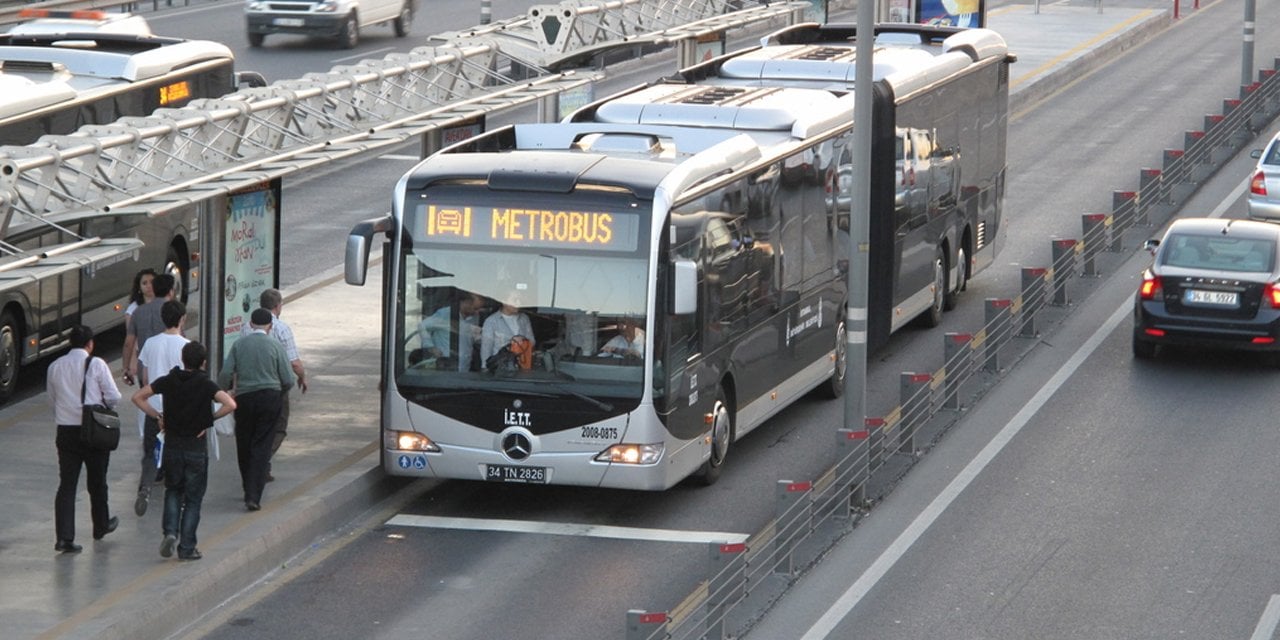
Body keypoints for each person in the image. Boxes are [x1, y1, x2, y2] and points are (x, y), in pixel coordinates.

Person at [132, 341, 235, 561]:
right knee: (193, 499)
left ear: (182, 359)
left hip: (172, 447)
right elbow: (230, 404)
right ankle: (187, 547)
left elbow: (137, 397)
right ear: (203, 362)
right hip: (195, 449)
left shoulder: (169, 380)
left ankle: (170, 532)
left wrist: (157, 416)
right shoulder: (206, 384)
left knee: (173, 491)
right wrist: (208, 420)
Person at [47, 325, 122, 553]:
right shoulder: (96, 364)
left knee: (67, 485)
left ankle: (64, 538)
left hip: (66, 431)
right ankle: (101, 525)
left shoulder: (55, 366)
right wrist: (102, 405)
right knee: (97, 480)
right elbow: (113, 396)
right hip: (93, 430)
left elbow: (52, 400)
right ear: (90, 344)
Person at [219, 308, 296, 511]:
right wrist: (279, 393)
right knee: (262, 445)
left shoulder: (239, 344)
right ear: (270, 326)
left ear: (251, 324)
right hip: (270, 398)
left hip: (245, 398)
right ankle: (254, 495)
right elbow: (288, 379)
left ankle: (247, 486)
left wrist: (224, 391)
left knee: (244, 442)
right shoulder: (275, 345)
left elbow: (226, 372)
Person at [132, 300, 190, 517]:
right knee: (177, 453)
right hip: (178, 411)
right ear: (182, 319)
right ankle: (177, 496)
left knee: (151, 452)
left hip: (154, 409)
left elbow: (146, 378)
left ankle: (145, 487)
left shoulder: (150, 343)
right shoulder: (186, 346)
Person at [124, 273, 176, 511]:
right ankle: (165, 467)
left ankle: (151, 469)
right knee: (172, 423)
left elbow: (129, 342)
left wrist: (126, 367)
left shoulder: (139, 313)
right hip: (172, 377)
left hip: (148, 374)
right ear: (171, 290)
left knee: (153, 419)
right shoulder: (173, 311)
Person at [243, 288, 307, 482]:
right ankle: (260, 460)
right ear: (278, 306)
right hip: (274, 388)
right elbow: (294, 363)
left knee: (255, 427)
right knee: (278, 427)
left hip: (248, 386)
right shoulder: (282, 328)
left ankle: (262, 466)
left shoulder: (246, 327)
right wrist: (301, 377)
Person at [419, 293, 483, 371]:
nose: (477, 312)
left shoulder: (473, 317)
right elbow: (423, 326)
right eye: (475, 308)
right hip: (446, 365)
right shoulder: (445, 314)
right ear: (466, 303)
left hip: (465, 367)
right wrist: (431, 347)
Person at [120, 268, 156, 386]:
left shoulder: (164, 303)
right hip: (143, 356)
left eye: (152, 282)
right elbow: (131, 340)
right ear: (139, 288)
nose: (149, 286)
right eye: (144, 283)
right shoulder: (133, 309)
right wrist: (131, 363)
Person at [480, 297, 535, 363]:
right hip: (501, 365)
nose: (518, 303)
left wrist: (523, 340)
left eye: (519, 300)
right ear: (504, 301)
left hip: (523, 363)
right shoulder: (491, 321)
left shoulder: (524, 318)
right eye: (515, 300)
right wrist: (485, 366)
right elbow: (486, 349)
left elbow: (532, 341)